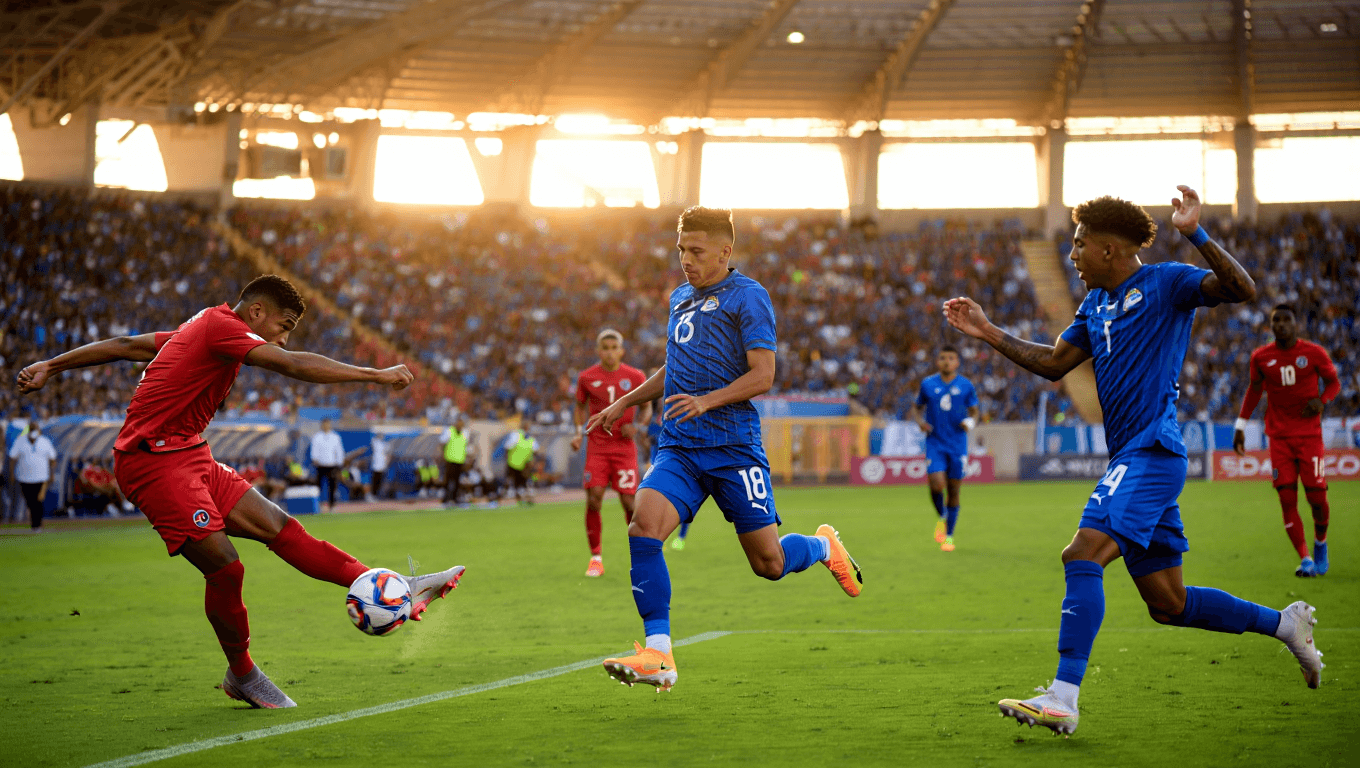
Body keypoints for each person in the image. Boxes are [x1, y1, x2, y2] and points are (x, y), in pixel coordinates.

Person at [943, 187, 1323, 735]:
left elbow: (1241, 288)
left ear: (1109, 249)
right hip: (1134, 457)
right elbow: (1054, 364)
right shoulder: (1093, 305)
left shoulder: (1167, 281)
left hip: (1153, 449)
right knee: (1169, 604)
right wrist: (986, 331)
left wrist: (1195, 233)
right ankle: (1286, 626)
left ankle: (1063, 697)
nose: (1071, 255)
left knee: (1082, 553)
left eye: (1078, 245)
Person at [15, 274, 464, 709]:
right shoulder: (221, 328)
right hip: (151, 462)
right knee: (226, 568)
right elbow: (290, 365)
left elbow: (126, 346)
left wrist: (52, 365)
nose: (284, 339)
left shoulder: (202, 325)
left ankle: (395, 586)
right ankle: (242, 673)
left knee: (282, 528)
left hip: (191, 454)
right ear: (256, 311)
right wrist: (375, 374)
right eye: (283, 326)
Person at [585, 206, 863, 692]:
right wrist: (624, 403)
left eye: (695, 251)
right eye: (680, 251)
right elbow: (673, 367)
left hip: (734, 450)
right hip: (680, 449)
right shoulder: (679, 299)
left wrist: (707, 400)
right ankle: (659, 653)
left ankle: (822, 546)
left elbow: (764, 374)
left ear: (724, 251)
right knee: (643, 527)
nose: (685, 260)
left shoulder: (749, 297)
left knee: (769, 565)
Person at [1232, 304, 1340, 577]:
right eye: (1275, 321)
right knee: (1287, 498)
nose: (1280, 325)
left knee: (1317, 497)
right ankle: (1305, 559)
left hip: (1309, 436)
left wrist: (1322, 400)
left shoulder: (1313, 353)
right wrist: (1240, 425)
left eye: (1286, 320)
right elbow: (1254, 391)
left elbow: (1334, 383)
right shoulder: (1261, 357)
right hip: (1279, 437)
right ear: (1270, 326)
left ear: (1296, 324)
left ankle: (1320, 544)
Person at [571, 329, 649, 577]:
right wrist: (576, 432)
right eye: (605, 347)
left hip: (624, 448)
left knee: (628, 501)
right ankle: (596, 558)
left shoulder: (635, 376)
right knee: (594, 497)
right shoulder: (587, 377)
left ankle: (640, 555)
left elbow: (647, 406)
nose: (609, 352)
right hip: (598, 446)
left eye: (614, 347)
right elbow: (579, 406)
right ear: (598, 351)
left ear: (621, 350)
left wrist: (639, 426)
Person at [908, 346, 979, 552]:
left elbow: (974, 411)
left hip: (957, 444)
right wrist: (920, 422)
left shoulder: (966, 385)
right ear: (937, 362)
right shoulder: (928, 384)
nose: (947, 361)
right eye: (943, 358)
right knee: (937, 484)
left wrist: (970, 423)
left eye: (951, 358)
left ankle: (949, 536)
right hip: (935, 442)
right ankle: (942, 516)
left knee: (954, 491)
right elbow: (916, 407)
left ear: (957, 362)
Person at [6, 420, 57, 532]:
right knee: (30, 501)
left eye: (35, 428)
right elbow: (12, 458)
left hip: (41, 477)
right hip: (24, 477)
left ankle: (36, 525)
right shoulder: (20, 441)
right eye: (32, 428)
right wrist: (12, 473)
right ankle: (35, 523)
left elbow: (52, 459)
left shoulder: (45, 442)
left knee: (38, 501)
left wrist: (52, 474)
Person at [309, 418, 345, 512]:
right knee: (318, 487)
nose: (326, 426)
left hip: (332, 464)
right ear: (322, 425)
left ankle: (332, 506)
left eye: (327, 424)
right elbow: (314, 449)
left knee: (332, 487)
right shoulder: (317, 436)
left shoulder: (335, 436)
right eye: (324, 424)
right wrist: (314, 459)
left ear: (330, 425)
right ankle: (318, 506)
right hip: (320, 465)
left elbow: (339, 450)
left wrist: (339, 463)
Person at [502, 419, 539, 506]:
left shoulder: (529, 438)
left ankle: (525, 499)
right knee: (514, 483)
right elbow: (507, 447)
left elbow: (536, 450)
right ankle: (509, 500)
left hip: (523, 464)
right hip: (515, 464)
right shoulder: (516, 435)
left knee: (523, 483)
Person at [441, 416, 471, 509]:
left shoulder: (465, 433)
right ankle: (446, 498)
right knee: (448, 480)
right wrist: (443, 455)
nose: (460, 425)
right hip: (450, 459)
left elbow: (465, 446)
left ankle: (454, 498)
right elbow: (442, 443)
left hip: (460, 460)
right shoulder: (449, 431)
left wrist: (466, 459)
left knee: (457, 480)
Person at [369, 432, 390, 500]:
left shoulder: (385, 444)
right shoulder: (375, 442)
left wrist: (386, 463)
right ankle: (373, 494)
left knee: (381, 480)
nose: (381, 436)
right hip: (376, 465)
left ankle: (378, 495)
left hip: (382, 465)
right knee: (375, 480)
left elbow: (388, 454)